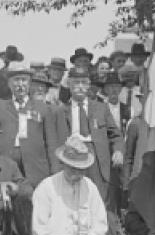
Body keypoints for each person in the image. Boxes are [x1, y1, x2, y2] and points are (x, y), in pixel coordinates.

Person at [30, 137, 112, 235]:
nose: (77, 173)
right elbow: (38, 229)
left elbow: (101, 222)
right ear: (63, 164)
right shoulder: (46, 187)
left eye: (81, 169)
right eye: (72, 168)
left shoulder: (90, 187)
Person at [45, 66, 123, 205]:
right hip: (72, 156)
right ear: (69, 85)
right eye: (76, 83)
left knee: (99, 198)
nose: (79, 87)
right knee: (72, 199)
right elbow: (54, 141)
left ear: (88, 85)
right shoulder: (60, 111)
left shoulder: (101, 108)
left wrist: (118, 150)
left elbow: (115, 134)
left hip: (97, 158)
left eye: (83, 83)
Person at [0, 61, 53, 187]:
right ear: (9, 83)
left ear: (30, 83)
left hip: (35, 167)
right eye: (16, 80)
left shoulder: (43, 108)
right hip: (6, 163)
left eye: (24, 80)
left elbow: (51, 143)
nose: (20, 84)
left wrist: (54, 171)